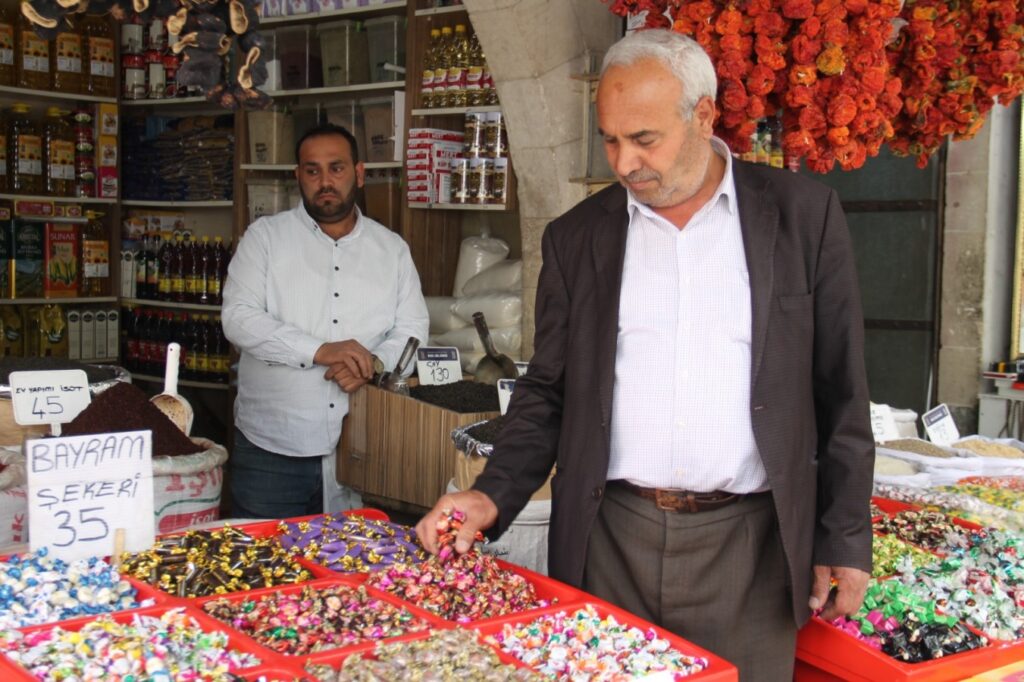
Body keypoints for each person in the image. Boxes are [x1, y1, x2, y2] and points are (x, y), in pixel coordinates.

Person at [416, 29, 874, 681]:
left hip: (752, 549)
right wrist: (491, 496)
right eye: (610, 139)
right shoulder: (578, 238)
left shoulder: (802, 218)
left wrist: (845, 537)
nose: (625, 163)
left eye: (645, 139)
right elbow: (548, 390)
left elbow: (842, 394)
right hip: (612, 537)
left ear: (704, 116)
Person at [223, 122, 429, 519]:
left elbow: (412, 331)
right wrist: (319, 351)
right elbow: (238, 319)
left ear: (359, 173)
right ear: (298, 176)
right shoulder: (264, 238)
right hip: (272, 449)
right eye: (312, 170)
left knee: (356, 570)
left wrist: (373, 364)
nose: (325, 181)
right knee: (266, 567)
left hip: (365, 446)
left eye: (336, 168)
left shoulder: (391, 250)